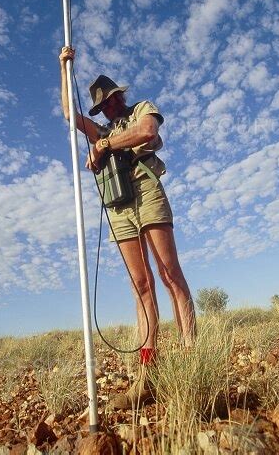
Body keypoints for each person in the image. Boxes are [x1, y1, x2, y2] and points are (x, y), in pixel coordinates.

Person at [59, 46, 196, 409]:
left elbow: (147, 132)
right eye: (103, 105)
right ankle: (147, 374)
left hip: (147, 191)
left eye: (112, 100)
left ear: (121, 96)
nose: (109, 107)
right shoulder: (100, 126)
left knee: (169, 275)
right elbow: (69, 116)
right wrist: (64, 68)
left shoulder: (141, 110)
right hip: (118, 208)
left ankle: (190, 360)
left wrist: (103, 144)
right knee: (141, 284)